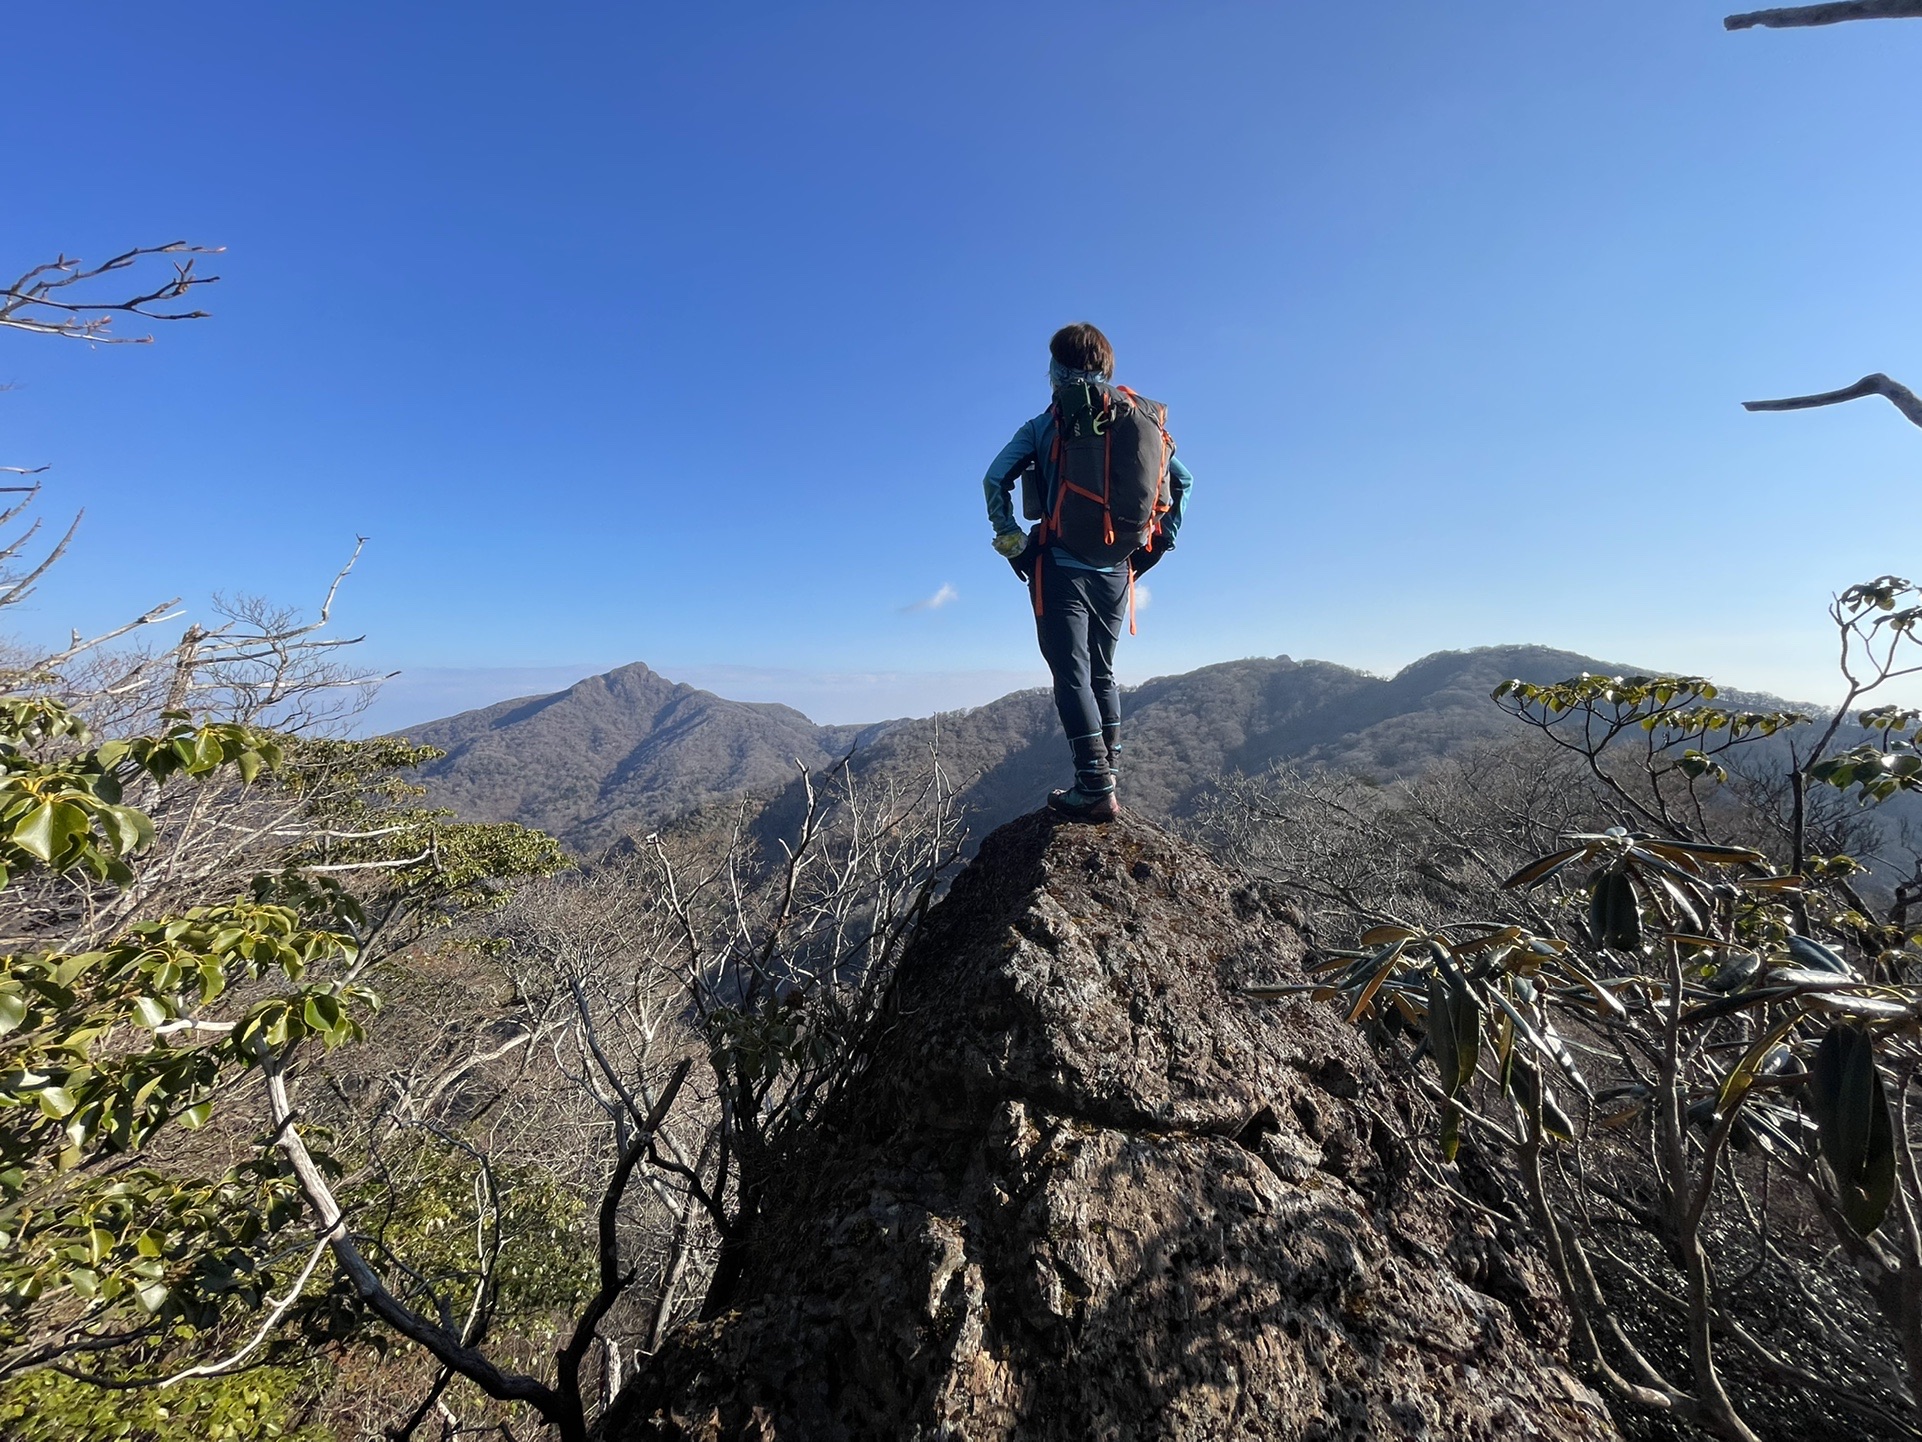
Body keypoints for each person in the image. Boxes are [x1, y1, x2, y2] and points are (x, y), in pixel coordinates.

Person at [981, 323, 1193, 822]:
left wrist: (1011, 539)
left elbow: (994, 478)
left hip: (1060, 565)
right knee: (1102, 671)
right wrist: (1164, 539)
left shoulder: (1045, 424)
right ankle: (1106, 776)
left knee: (1070, 673)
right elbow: (1183, 481)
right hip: (1118, 568)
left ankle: (1094, 788)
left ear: (1057, 369)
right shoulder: (1140, 418)